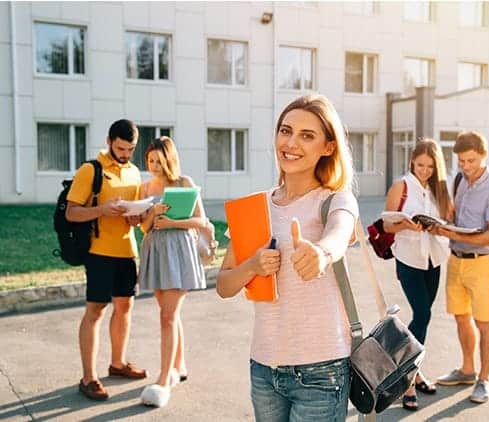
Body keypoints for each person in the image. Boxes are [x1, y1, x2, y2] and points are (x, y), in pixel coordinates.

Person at [216, 94, 359, 422]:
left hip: (322, 370)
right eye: (286, 130)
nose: (291, 143)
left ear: (328, 147)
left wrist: (321, 254)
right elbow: (224, 285)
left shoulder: (336, 200)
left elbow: (339, 233)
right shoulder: (252, 208)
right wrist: (252, 265)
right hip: (264, 368)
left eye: (307, 136)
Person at [66, 119, 147, 401]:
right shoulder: (91, 170)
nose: (125, 154)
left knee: (125, 308)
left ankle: (118, 363)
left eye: (130, 149)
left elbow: (134, 217)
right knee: (96, 311)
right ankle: (88, 378)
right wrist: (102, 209)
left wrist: (136, 217)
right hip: (99, 252)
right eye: (121, 147)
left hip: (128, 251)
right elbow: (72, 213)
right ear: (109, 140)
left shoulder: (135, 173)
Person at [434, 131, 489, 404]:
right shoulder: (460, 181)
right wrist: (446, 222)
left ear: (484, 155)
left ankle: (484, 380)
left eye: (471, 160)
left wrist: (453, 234)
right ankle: (467, 370)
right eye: (461, 161)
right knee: (460, 317)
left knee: (483, 322)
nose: (466, 166)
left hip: (484, 265)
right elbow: (456, 214)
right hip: (456, 260)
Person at [137, 136, 208, 407]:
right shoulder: (145, 187)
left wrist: (173, 222)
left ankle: (165, 378)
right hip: (154, 251)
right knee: (170, 314)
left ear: (169, 159)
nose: (154, 165)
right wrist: (153, 213)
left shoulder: (184, 183)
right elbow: (143, 228)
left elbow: (201, 220)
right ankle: (179, 365)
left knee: (167, 316)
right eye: (150, 161)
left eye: (158, 160)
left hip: (178, 251)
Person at [383, 139, 451, 411]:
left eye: (430, 167)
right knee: (422, 315)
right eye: (420, 165)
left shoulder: (439, 189)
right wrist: (405, 224)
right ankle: (407, 379)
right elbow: (387, 223)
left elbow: (446, 220)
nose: (424, 171)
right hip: (409, 259)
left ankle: (416, 370)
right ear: (412, 161)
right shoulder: (401, 186)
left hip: (434, 259)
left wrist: (438, 227)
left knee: (423, 318)